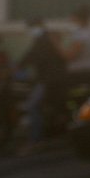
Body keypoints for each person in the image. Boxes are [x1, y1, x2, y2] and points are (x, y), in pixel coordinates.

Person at [15, 17, 68, 153]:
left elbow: (32, 56)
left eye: (32, 27)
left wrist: (18, 66)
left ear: (38, 26)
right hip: (49, 78)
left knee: (32, 105)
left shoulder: (44, 40)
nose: (31, 31)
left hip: (49, 79)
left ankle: (35, 141)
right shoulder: (43, 39)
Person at [61, 4, 90, 87]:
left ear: (77, 19)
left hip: (84, 73)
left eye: (72, 19)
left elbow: (70, 56)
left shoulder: (81, 35)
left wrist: (56, 45)